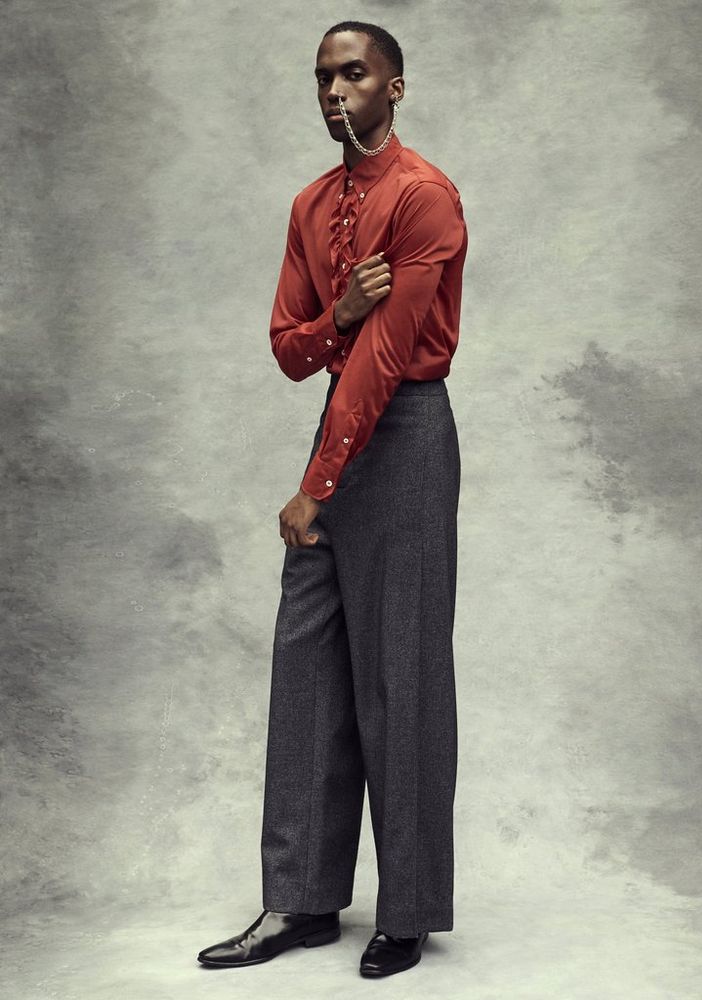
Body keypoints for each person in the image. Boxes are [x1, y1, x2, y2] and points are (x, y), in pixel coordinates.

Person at [197, 19, 468, 979]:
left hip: (405, 435)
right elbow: (289, 350)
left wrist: (314, 490)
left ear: (394, 89)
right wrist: (336, 314)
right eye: (323, 77)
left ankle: (408, 910)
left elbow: (390, 359)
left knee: (402, 676)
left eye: (353, 74)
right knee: (307, 670)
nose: (334, 91)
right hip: (336, 433)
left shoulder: (425, 197)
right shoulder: (311, 205)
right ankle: (300, 900)